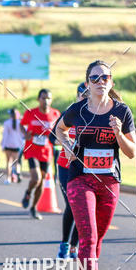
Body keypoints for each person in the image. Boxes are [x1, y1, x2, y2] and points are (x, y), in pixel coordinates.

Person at [55, 61, 136, 270]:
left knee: (97, 238)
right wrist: (67, 144)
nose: (101, 81)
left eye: (105, 77)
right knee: (88, 237)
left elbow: (132, 152)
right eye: (95, 78)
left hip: (109, 181)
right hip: (80, 179)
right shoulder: (78, 109)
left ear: (111, 83)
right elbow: (59, 128)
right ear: (87, 84)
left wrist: (119, 134)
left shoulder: (122, 112)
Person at [53, 82, 87, 260]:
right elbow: (54, 136)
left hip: (85, 169)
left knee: (82, 208)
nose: (86, 97)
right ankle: (65, 244)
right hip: (65, 166)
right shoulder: (70, 112)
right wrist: (67, 145)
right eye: (83, 94)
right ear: (77, 95)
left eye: (88, 94)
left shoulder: (94, 115)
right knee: (73, 205)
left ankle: (74, 245)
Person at [20, 90, 60, 219]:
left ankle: (33, 207)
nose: (46, 101)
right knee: (36, 178)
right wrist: (25, 134)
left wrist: (58, 138)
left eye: (49, 98)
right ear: (39, 99)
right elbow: (22, 125)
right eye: (43, 98)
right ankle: (28, 192)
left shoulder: (55, 114)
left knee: (41, 182)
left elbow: (59, 130)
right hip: (32, 149)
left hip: (46, 151)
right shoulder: (31, 113)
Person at [1, 108, 24, 183]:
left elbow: (5, 135)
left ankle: (8, 178)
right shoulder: (20, 123)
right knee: (16, 162)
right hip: (16, 145)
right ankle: (18, 175)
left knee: (9, 162)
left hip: (8, 144)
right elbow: (22, 134)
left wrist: (3, 145)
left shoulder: (7, 123)